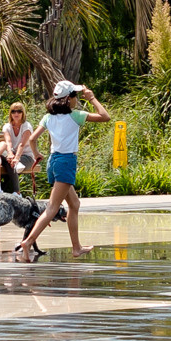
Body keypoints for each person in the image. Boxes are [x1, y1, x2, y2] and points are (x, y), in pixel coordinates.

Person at [10, 81, 109, 260]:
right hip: (66, 162)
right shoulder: (76, 115)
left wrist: (37, 154)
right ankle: (28, 242)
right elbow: (105, 116)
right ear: (69, 99)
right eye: (75, 96)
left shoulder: (48, 117)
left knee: (74, 204)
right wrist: (92, 98)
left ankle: (76, 247)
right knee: (52, 207)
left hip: (53, 161)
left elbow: (32, 139)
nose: (77, 99)